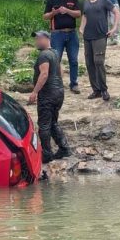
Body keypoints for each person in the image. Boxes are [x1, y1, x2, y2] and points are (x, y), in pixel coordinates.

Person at [28, 30, 71, 164]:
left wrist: (35, 92)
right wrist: (58, 84)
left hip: (48, 94)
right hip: (58, 92)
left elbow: (44, 74)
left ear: (47, 39)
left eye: (39, 39)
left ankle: (47, 154)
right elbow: (61, 70)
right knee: (52, 122)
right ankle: (64, 148)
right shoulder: (54, 52)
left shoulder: (44, 55)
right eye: (36, 39)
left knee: (44, 125)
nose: (37, 41)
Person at [79, 0, 120, 101]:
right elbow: (85, 16)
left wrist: (114, 27)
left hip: (100, 36)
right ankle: (95, 90)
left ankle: (104, 90)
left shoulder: (103, 1)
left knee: (98, 62)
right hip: (88, 37)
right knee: (89, 63)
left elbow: (116, 12)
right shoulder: (85, 3)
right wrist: (81, 28)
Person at [43, 0, 82, 94]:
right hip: (57, 34)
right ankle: (56, 84)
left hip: (71, 33)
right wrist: (54, 12)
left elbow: (79, 14)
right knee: (56, 60)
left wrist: (67, 11)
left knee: (74, 60)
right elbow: (45, 16)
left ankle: (74, 84)